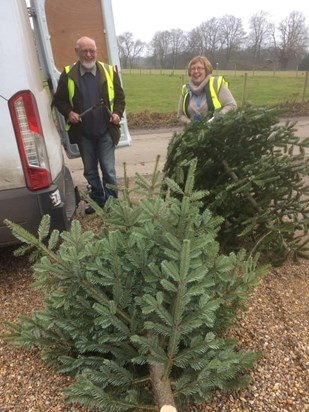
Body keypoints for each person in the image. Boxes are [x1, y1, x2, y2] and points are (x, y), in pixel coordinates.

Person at [52, 36, 126, 214]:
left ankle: (112, 204)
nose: (88, 54)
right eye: (84, 51)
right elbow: (59, 100)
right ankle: (98, 201)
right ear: (76, 52)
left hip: (106, 131)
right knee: (90, 171)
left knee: (108, 170)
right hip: (84, 133)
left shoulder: (108, 71)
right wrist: (69, 113)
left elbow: (120, 98)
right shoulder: (68, 73)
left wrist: (117, 113)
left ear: (96, 51)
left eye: (91, 50)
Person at [177, 56, 237, 124]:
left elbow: (231, 105)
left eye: (199, 68)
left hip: (216, 129)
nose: (196, 71)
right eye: (193, 69)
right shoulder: (186, 89)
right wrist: (191, 123)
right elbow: (180, 115)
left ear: (206, 70)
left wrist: (215, 120)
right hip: (194, 132)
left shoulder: (216, 84)